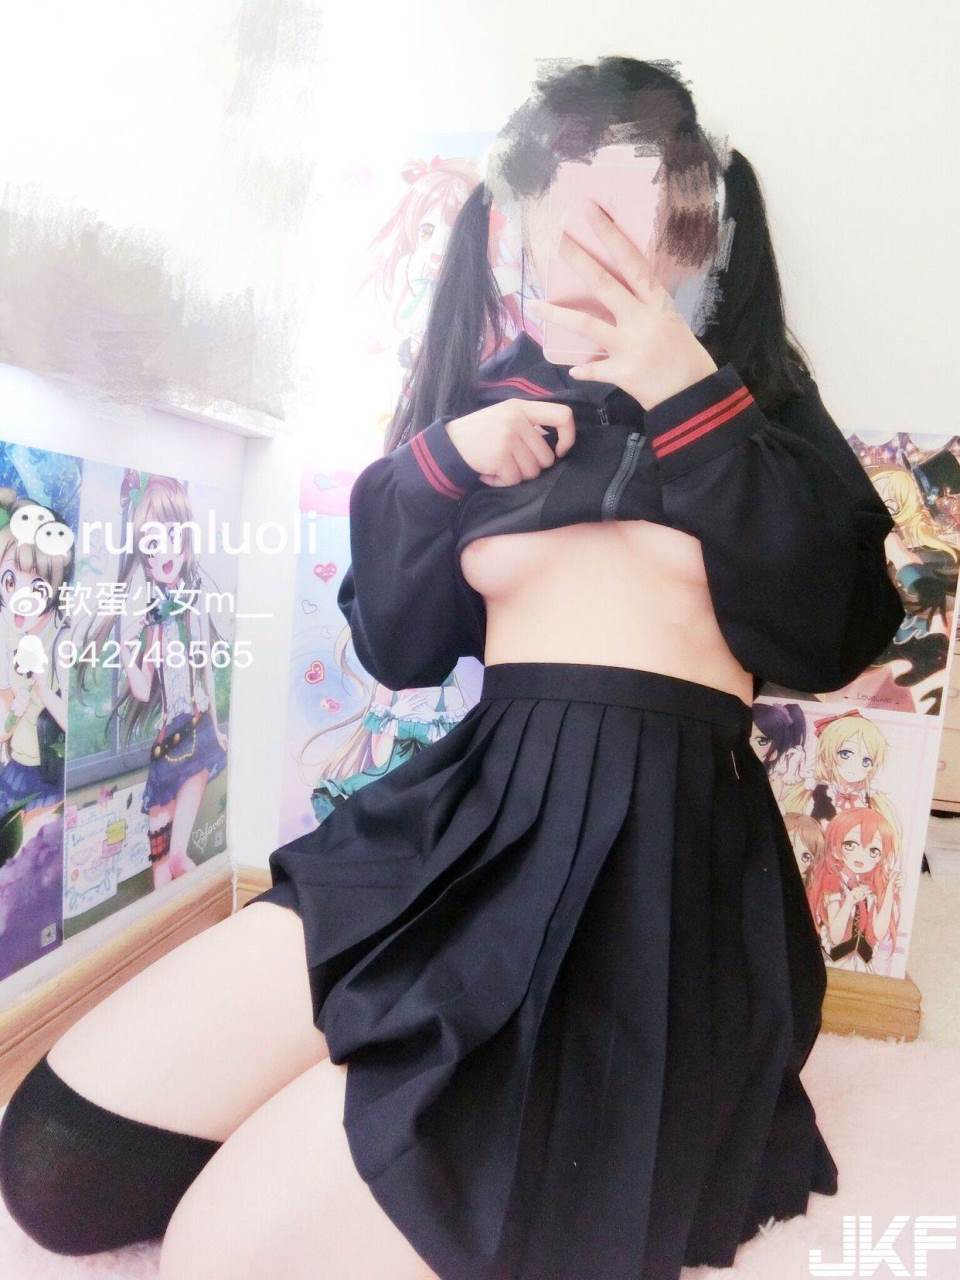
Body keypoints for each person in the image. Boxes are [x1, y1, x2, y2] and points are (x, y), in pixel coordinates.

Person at [0, 57, 904, 1280]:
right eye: (551, 229)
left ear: (696, 237)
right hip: (466, 826)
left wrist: (683, 389)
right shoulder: (493, 405)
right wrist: (444, 464)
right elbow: (398, 640)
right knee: (54, 1163)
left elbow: (834, 626)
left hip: (651, 867)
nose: (580, 263)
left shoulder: (758, 414)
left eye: (623, 231)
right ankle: (389, 1065)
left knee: (223, 1250)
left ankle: (421, 1095)